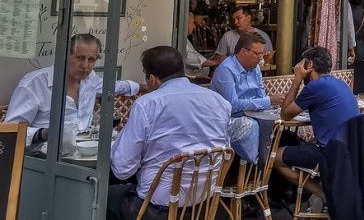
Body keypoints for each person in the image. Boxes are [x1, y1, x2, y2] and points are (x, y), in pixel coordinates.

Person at [108, 47, 231, 220]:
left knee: (106, 194)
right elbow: (223, 150)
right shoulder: (219, 102)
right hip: (205, 206)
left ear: (152, 79)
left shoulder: (147, 104)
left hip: (157, 210)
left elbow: (122, 169)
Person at [6, 33, 142, 148]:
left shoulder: (91, 80)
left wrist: (146, 87)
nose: (85, 65)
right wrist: (44, 133)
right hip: (43, 156)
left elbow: (116, 86)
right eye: (80, 58)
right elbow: (10, 131)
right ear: (64, 56)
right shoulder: (34, 84)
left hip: (83, 150)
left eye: (91, 60)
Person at [274, 47, 360, 212]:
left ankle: (324, 195)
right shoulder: (340, 83)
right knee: (305, 144)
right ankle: (318, 196)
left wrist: (298, 79)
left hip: (331, 155)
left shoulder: (314, 87)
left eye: (302, 64)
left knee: (274, 157)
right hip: (351, 152)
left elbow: (285, 114)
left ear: (310, 65)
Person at [210, 32, 283, 163]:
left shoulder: (255, 69)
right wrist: (269, 101)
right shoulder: (226, 70)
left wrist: (273, 105)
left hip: (251, 115)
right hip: (227, 120)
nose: (261, 59)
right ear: (244, 51)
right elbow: (233, 105)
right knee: (251, 126)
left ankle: (271, 167)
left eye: (262, 54)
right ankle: (258, 166)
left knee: (279, 125)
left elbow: (261, 96)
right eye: (258, 54)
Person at [184, 12, 217, 78]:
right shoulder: (180, 40)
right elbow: (188, 58)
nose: (194, 27)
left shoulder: (184, 39)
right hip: (192, 79)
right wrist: (214, 62)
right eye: (193, 23)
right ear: (185, 24)